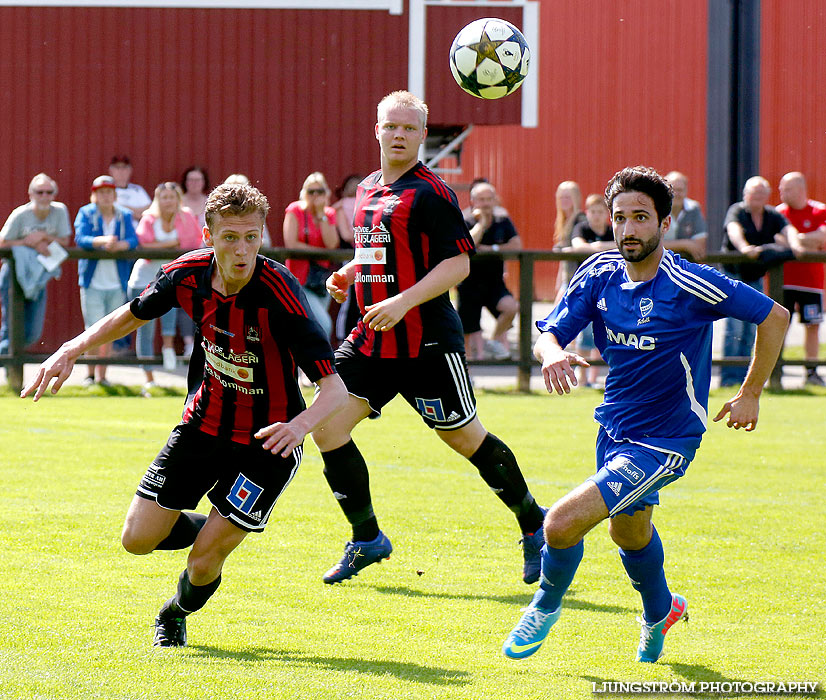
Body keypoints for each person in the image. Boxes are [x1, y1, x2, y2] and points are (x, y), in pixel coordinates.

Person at [21, 183, 347, 648]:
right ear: (208, 235)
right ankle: (223, 526)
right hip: (202, 427)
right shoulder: (187, 274)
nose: (242, 250)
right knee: (136, 540)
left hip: (267, 442)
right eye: (230, 237)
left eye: (252, 237)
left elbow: (335, 389)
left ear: (262, 236)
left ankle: (174, 611)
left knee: (202, 563)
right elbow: (134, 313)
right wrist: (72, 349)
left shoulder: (279, 293)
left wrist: (298, 427)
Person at [502, 166, 789, 663]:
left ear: (664, 222)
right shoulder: (599, 273)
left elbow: (774, 315)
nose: (628, 229)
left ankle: (544, 607)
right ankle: (660, 611)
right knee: (628, 532)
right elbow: (549, 330)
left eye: (640, 218)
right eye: (620, 218)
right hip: (614, 428)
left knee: (560, 523)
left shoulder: (689, 282)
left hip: (668, 440)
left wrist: (751, 393)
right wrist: (550, 353)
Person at [313, 90, 546, 586]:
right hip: (373, 337)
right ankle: (367, 536)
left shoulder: (433, 192)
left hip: (427, 344)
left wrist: (403, 302)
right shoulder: (367, 189)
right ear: (376, 130)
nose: (398, 135)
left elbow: (458, 262)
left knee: (464, 439)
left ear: (422, 135)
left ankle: (533, 522)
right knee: (327, 427)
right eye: (391, 126)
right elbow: (380, 251)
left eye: (409, 128)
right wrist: (351, 272)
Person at [720, 176, 796, 386]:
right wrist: (744, 248)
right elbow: (733, 230)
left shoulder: (772, 214)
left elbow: (788, 230)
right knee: (734, 327)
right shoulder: (737, 210)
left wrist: (794, 243)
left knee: (752, 327)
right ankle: (728, 378)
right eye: (754, 193)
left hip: (755, 277)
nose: (758, 197)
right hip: (733, 275)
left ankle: (745, 379)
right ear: (746, 195)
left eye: (762, 193)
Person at [127, 182, 202, 392]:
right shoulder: (149, 218)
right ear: (157, 199)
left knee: (169, 327)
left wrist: (168, 246)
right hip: (144, 278)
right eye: (164, 197)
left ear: (178, 198)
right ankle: (148, 378)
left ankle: (170, 377)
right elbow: (143, 243)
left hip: (171, 279)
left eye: (171, 197)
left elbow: (192, 243)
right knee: (145, 327)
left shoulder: (186, 216)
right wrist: (171, 244)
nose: (168, 201)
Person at [74, 175, 139, 386]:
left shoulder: (124, 215)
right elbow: (80, 239)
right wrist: (100, 241)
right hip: (92, 281)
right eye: (101, 192)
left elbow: (133, 240)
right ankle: (90, 375)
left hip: (116, 281)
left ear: (114, 195)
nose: (105, 196)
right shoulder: (86, 213)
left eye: (109, 192)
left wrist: (121, 246)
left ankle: (103, 376)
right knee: (92, 328)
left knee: (109, 330)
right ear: (95, 194)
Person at [0, 173, 72, 355]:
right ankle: (11, 371)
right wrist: (28, 242)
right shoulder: (20, 214)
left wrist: (44, 236)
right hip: (13, 274)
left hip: (39, 274)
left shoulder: (60, 211)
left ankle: (10, 360)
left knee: (32, 332)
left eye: (49, 192)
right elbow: (3, 242)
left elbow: (64, 240)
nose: (45, 197)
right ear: (30, 194)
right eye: (40, 192)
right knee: (10, 328)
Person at [456, 180, 521, 360]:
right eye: (481, 199)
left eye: (488, 199)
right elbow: (467, 244)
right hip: (468, 283)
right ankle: (468, 373)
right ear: (473, 201)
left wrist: (492, 249)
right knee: (467, 331)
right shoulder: (465, 219)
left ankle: (492, 341)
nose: (485, 203)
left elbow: (517, 245)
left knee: (511, 308)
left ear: (494, 200)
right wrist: (482, 224)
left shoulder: (503, 220)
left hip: (494, 283)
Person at [776, 172, 826, 386]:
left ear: (800, 189)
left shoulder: (819, 210)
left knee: (812, 326)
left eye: (786, 189)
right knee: (778, 325)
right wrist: (807, 241)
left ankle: (812, 372)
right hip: (783, 281)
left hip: (811, 282)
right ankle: (775, 371)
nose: (781, 192)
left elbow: (823, 237)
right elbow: (776, 239)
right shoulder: (779, 213)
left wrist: (794, 240)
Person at [282, 172, 340, 341]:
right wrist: (317, 250)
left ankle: (307, 365)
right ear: (304, 192)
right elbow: (291, 243)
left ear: (326, 193)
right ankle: (323, 364)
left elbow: (331, 244)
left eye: (320, 192)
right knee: (324, 324)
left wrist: (321, 214)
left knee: (310, 327)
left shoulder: (328, 213)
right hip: (300, 278)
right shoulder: (295, 210)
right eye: (311, 191)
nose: (315, 196)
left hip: (321, 279)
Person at [570, 194, 615, 386]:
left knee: (601, 331)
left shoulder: (611, 231)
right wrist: (602, 249)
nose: (596, 216)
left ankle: (594, 378)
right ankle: (581, 378)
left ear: (606, 214)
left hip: (608, 287)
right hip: (585, 286)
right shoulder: (581, 228)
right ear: (587, 213)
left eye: (600, 212)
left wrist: (598, 247)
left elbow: (619, 246)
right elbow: (577, 246)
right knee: (584, 332)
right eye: (593, 212)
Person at [333, 173, 363, 344]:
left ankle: (346, 336)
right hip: (349, 256)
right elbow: (345, 234)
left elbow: (346, 233)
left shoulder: (340, 206)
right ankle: (342, 337)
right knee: (349, 299)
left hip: (360, 255)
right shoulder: (345, 206)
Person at [552, 180, 586, 302]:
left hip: (578, 277)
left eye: (568, 197)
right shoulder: (563, 222)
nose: (563, 201)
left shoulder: (581, 221)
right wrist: (559, 280)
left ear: (576, 198)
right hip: (567, 278)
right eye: (561, 197)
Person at [663, 171, 707, 261]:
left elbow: (699, 244)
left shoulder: (693, 208)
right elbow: (652, 244)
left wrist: (669, 245)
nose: (676, 194)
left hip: (685, 265)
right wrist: (685, 244)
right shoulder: (658, 209)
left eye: (680, 190)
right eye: (673, 190)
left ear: (686, 191)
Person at [109, 155, 152, 220]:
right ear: (111, 171)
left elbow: (149, 211)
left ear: (130, 170)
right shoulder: (108, 190)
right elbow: (109, 209)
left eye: (124, 167)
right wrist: (137, 211)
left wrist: (122, 207)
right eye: (117, 168)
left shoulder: (138, 189)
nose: (121, 171)